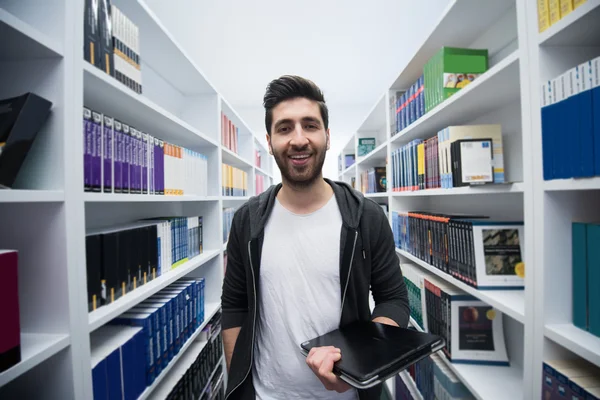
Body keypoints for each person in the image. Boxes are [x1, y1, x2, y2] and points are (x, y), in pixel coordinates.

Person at [221, 75, 410, 400]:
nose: (298, 139)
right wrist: (241, 385)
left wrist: (361, 362)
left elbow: (393, 299)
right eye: (284, 128)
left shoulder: (366, 217)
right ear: (269, 141)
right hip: (266, 394)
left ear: (327, 135)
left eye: (310, 125)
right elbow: (235, 306)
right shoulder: (246, 222)